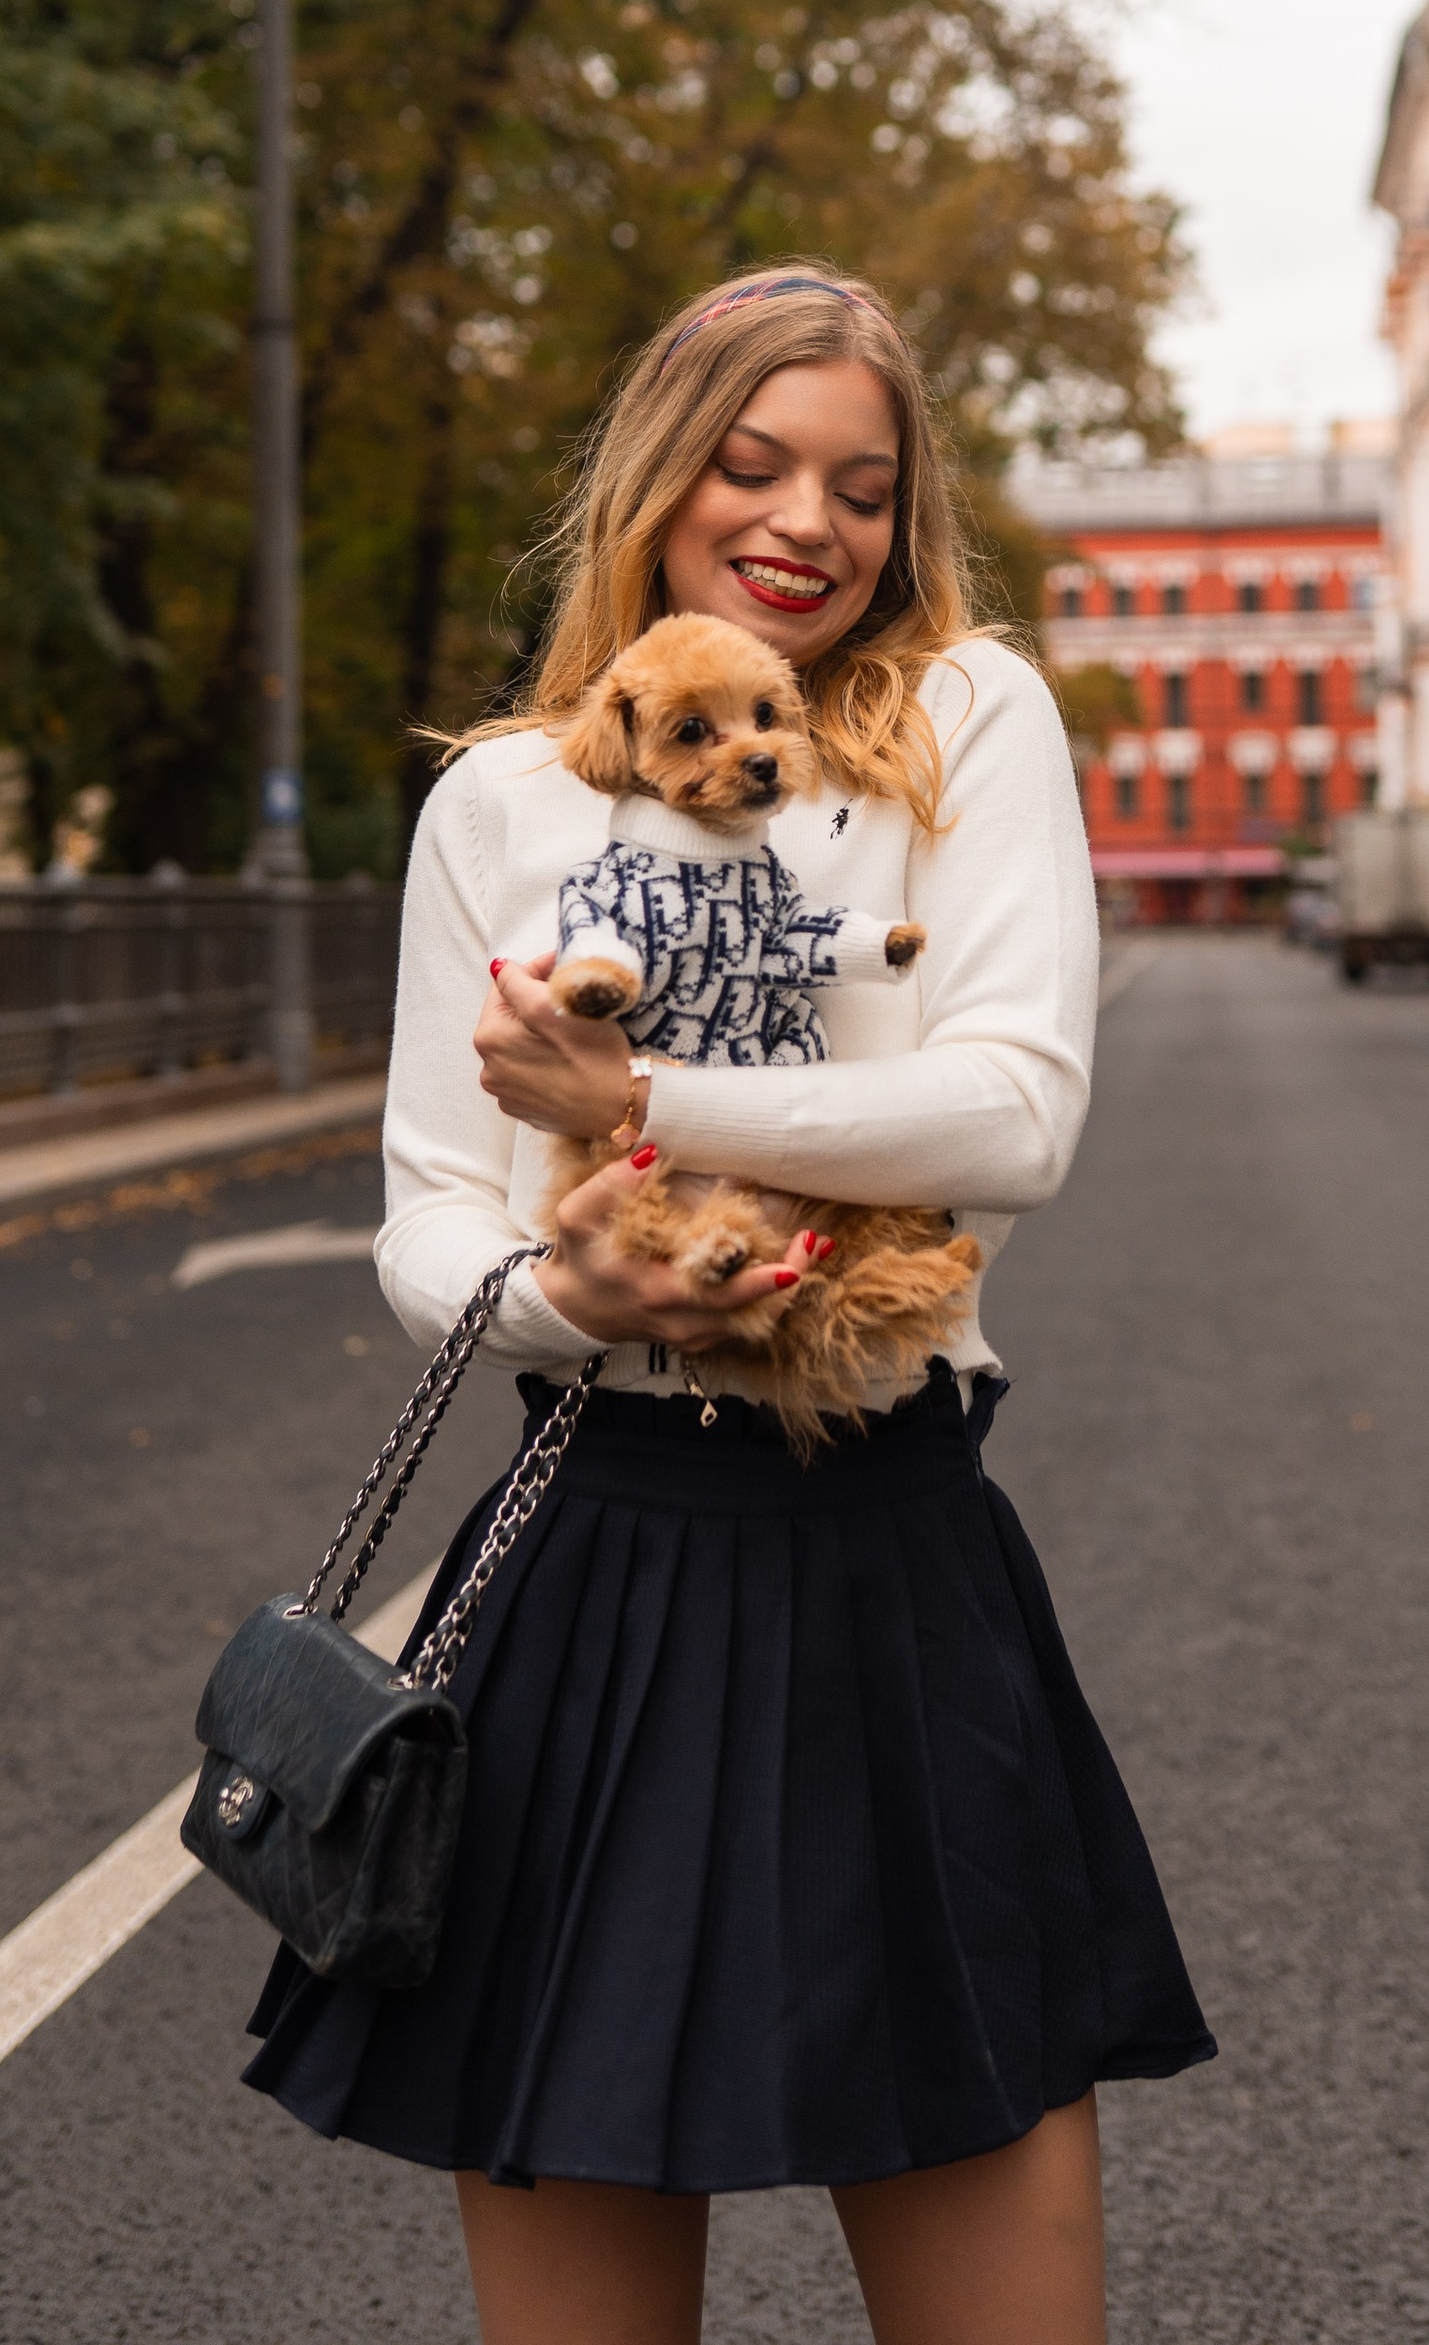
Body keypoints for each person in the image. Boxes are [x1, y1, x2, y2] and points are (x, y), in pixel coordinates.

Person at [240, 264, 1212, 2345]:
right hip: (593, 1552)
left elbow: (1012, 1117)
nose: (806, 521)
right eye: (752, 465)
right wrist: (558, 1292)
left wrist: (637, 1096)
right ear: (661, 480)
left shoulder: (963, 718)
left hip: (893, 1540)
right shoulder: (499, 799)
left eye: (861, 485)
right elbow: (427, 1209)